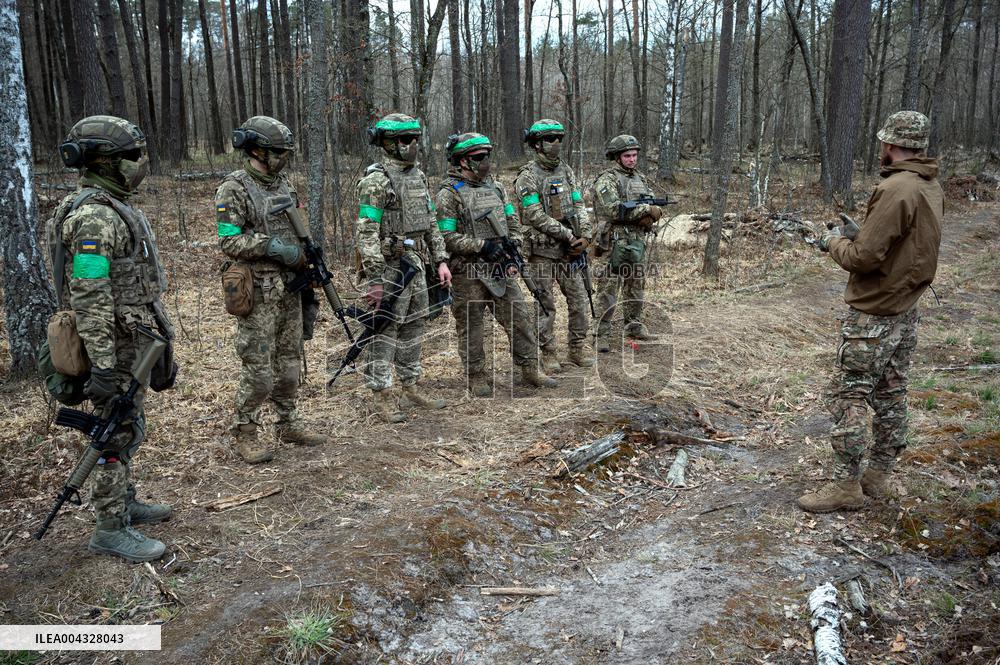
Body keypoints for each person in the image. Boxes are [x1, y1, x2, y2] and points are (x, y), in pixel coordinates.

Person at [797, 111, 943, 513]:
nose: (881, 148)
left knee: (849, 395)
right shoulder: (930, 185)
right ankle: (879, 475)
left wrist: (832, 242)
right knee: (892, 391)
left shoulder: (896, 188)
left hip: (875, 312)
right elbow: (903, 246)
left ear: (891, 144)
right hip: (905, 308)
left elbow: (863, 259)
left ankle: (847, 485)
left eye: (883, 143)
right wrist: (859, 234)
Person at [47, 115, 176, 561]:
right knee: (111, 433)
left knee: (126, 426)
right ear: (104, 162)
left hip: (129, 340)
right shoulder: (94, 218)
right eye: (130, 156)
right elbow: (90, 296)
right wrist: (102, 363)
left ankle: (124, 502)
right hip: (111, 346)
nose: (140, 163)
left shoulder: (114, 206)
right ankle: (109, 527)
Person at [216, 115, 326, 464]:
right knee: (259, 368)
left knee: (290, 362)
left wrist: (307, 260)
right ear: (255, 151)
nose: (283, 158)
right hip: (258, 290)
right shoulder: (234, 188)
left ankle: (287, 422)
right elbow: (228, 241)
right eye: (277, 152)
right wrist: (272, 248)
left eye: (285, 152)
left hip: (290, 288)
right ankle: (245, 432)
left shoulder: (284, 185)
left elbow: (298, 230)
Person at [434, 132, 558, 396]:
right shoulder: (449, 194)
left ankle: (530, 368)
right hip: (468, 271)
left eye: (487, 155)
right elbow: (446, 236)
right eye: (479, 156)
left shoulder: (497, 188)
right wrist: (481, 246)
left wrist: (513, 250)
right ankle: (476, 375)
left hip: (500, 267)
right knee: (472, 326)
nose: (485, 161)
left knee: (520, 317)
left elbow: (513, 223)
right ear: (463, 161)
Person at [355, 113, 452, 422]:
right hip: (390, 267)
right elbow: (366, 231)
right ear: (388, 143)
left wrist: (441, 260)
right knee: (385, 328)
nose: (412, 145)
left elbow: (432, 222)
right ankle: (382, 394)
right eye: (405, 140)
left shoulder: (418, 177)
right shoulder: (376, 181)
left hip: (416, 263)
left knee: (415, 324)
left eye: (415, 139)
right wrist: (375, 278)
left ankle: (410, 386)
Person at [514, 119, 594, 373]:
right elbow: (535, 215)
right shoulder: (527, 177)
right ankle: (548, 352)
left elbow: (578, 204)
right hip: (542, 252)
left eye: (559, 138)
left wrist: (585, 236)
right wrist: (568, 235)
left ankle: (577, 348)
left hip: (569, 253)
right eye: (550, 139)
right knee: (545, 304)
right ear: (537, 144)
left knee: (579, 299)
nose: (556, 143)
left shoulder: (566, 171)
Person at [591, 134, 664, 352]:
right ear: (617, 157)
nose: (632, 159)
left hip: (635, 240)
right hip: (612, 242)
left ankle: (634, 325)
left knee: (636, 286)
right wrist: (646, 210)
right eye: (627, 156)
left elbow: (652, 203)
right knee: (608, 289)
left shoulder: (640, 178)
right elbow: (614, 209)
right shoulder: (607, 180)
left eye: (634, 155)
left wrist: (652, 213)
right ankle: (601, 334)